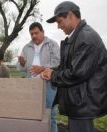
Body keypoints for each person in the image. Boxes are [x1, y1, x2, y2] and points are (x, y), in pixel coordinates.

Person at [42, 1, 107, 132]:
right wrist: (53, 71)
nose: (58, 27)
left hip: (83, 104)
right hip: (79, 102)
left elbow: (76, 73)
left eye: (59, 21)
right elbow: (70, 67)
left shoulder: (86, 38)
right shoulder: (77, 37)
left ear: (70, 15)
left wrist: (52, 75)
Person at [17, 22, 60, 132]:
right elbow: (22, 69)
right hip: (31, 87)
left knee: (50, 115)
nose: (34, 36)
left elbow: (58, 62)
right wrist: (21, 63)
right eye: (31, 34)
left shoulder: (52, 44)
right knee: (32, 114)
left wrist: (43, 68)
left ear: (42, 32)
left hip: (49, 85)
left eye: (36, 33)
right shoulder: (26, 47)